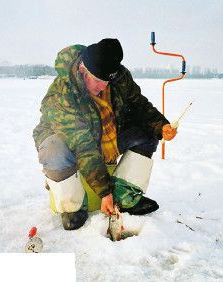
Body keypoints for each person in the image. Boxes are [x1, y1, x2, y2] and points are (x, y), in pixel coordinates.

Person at [33, 38, 177, 230]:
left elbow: (138, 104)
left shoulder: (118, 76)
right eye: (99, 82)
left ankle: (125, 197)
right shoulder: (62, 94)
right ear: (83, 70)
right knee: (54, 151)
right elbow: (83, 146)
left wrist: (161, 126)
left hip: (104, 133)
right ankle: (72, 207)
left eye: (107, 81)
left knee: (146, 131)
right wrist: (104, 193)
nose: (103, 87)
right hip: (66, 140)